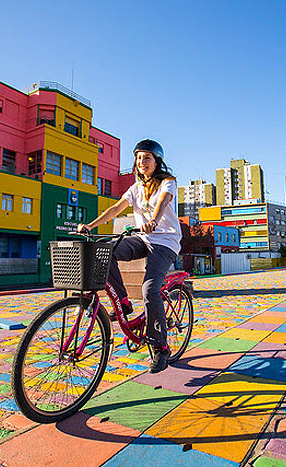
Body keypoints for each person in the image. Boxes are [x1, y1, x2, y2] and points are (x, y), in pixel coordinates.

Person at [77, 138, 181, 374]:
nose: (141, 161)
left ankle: (160, 346)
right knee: (104, 252)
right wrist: (91, 226)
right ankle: (123, 302)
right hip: (143, 238)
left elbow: (164, 201)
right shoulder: (135, 188)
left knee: (149, 290)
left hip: (165, 241)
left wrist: (154, 220)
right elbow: (114, 209)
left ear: (157, 161)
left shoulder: (167, 182)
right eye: (138, 157)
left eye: (146, 157)